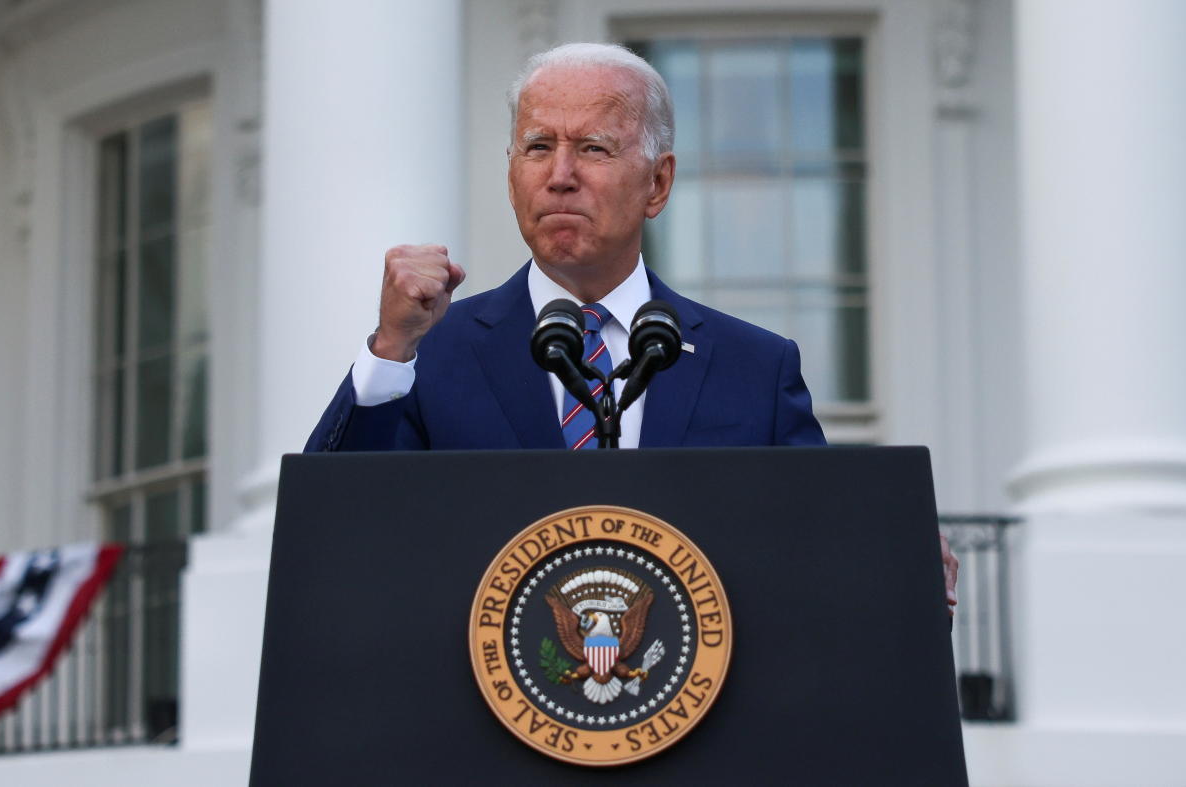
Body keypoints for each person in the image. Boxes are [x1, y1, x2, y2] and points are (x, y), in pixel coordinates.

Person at [304, 42, 957, 611]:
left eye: (593, 148)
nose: (560, 177)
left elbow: (816, 550)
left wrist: (894, 557)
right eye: (538, 147)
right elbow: (333, 539)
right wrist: (391, 349)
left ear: (658, 183)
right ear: (511, 175)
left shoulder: (752, 370)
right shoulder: (430, 352)